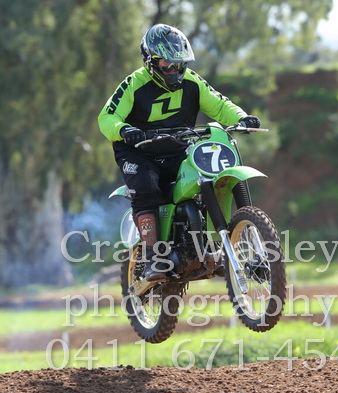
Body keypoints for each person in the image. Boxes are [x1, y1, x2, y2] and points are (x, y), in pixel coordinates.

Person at [98, 23, 260, 281]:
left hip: (178, 149)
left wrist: (241, 118)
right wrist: (124, 130)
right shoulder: (133, 84)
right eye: (167, 64)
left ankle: (213, 248)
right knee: (147, 188)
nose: (174, 70)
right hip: (138, 152)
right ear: (150, 61)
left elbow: (220, 106)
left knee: (204, 178)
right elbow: (107, 117)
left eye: (179, 64)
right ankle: (153, 257)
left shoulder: (193, 82)